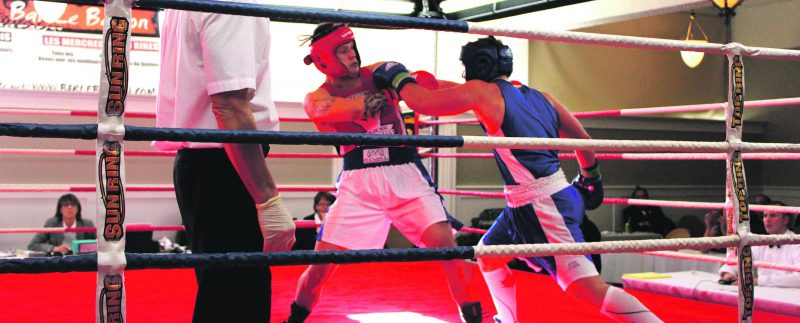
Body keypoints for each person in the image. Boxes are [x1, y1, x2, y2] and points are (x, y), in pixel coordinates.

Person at [374, 36, 661, 322]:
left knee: (585, 288)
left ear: (480, 64)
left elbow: (423, 104)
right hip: (536, 200)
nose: (464, 73)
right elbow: (583, 141)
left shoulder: (483, 93)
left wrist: (396, 75)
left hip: (542, 205)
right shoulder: (542, 96)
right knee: (488, 255)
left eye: (466, 66)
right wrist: (590, 177)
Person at [284, 23, 482, 323]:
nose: (352, 55)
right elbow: (332, 110)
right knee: (320, 266)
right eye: (343, 51)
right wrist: (365, 101)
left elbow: (428, 85)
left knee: (449, 252)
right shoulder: (317, 97)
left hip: (405, 173)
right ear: (326, 59)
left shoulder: (379, 73)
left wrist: (477, 92)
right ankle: (294, 320)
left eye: (352, 47)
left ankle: (474, 319)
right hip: (358, 184)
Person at [153, 4, 296, 322]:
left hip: (203, 161)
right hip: (226, 163)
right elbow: (229, 104)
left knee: (222, 293)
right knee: (236, 300)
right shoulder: (233, 6)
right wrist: (268, 199)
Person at [718, 201, 800, 287]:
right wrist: (728, 273)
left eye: (773, 215)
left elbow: (798, 278)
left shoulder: (797, 243)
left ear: (785, 220)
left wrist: (758, 281)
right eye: (765, 216)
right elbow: (740, 260)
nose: (767, 220)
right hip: (763, 294)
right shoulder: (762, 242)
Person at [28, 194, 96, 254]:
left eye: (73, 205)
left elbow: (98, 245)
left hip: (82, 261)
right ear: (60, 210)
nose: (70, 207)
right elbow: (33, 245)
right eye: (66, 205)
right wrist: (54, 248)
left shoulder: (87, 224)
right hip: (59, 261)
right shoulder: (52, 223)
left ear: (78, 209)